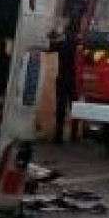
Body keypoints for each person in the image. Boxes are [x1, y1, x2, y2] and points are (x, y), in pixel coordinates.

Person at [48, 17, 80, 145]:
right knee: (75, 107)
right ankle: (74, 134)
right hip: (75, 79)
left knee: (60, 106)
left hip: (63, 77)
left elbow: (50, 47)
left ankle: (58, 135)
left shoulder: (63, 42)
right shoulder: (79, 43)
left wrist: (53, 33)